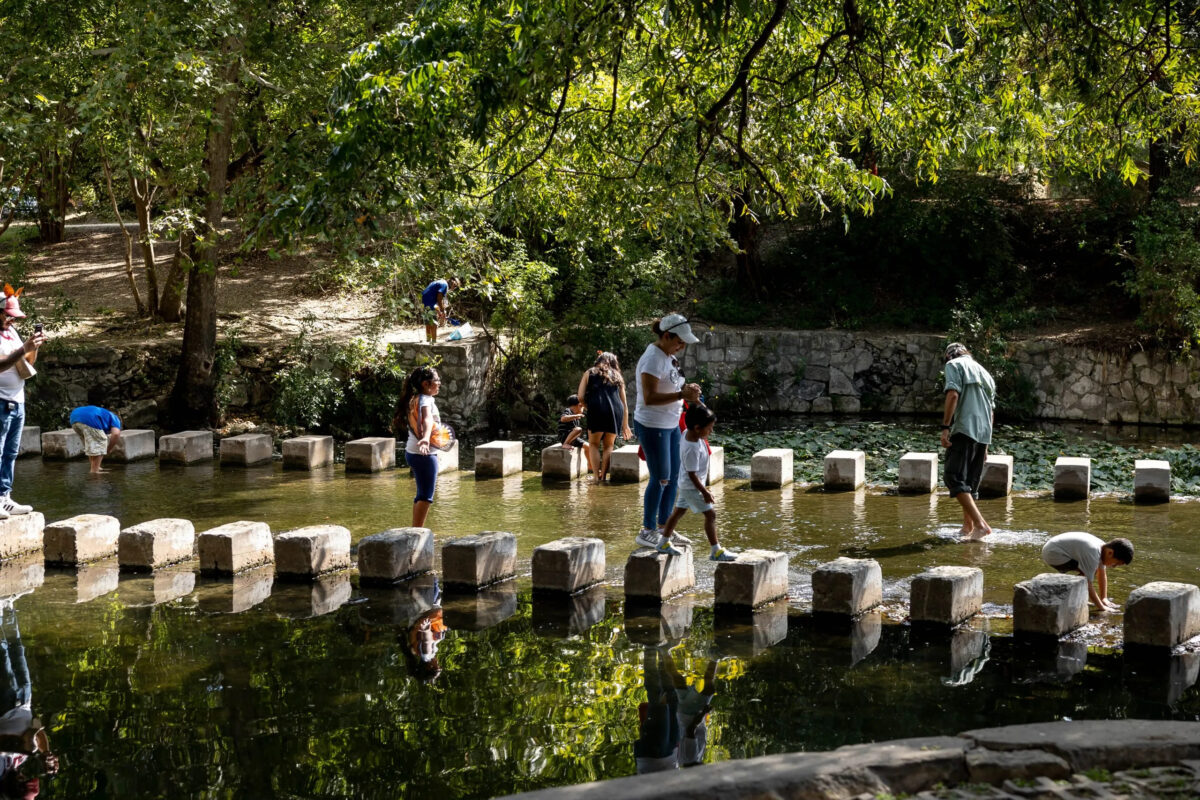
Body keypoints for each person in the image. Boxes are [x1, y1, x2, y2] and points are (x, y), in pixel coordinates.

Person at [633, 315, 702, 549]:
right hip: (652, 424)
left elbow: (672, 385)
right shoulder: (653, 358)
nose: (681, 346)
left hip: (670, 423)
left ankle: (665, 529)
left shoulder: (668, 356)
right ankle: (647, 530)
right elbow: (650, 397)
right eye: (679, 341)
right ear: (666, 336)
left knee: (673, 478)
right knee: (660, 477)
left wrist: (687, 390)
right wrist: (682, 395)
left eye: (684, 343)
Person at [657, 404, 737, 562]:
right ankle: (716, 551)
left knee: (678, 512)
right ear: (698, 427)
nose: (711, 431)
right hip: (691, 486)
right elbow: (691, 474)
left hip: (686, 484)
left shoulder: (688, 432)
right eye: (709, 428)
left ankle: (663, 542)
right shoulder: (691, 449)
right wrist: (705, 491)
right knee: (711, 514)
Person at [939, 342, 996, 541]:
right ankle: (968, 526)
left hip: (965, 428)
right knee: (970, 483)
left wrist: (945, 427)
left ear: (949, 356)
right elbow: (990, 411)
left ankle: (981, 525)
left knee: (952, 476)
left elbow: (953, 394)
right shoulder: (986, 373)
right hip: (983, 433)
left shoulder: (953, 365)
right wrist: (986, 444)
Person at [0, 287, 44, 520]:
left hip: (18, 400)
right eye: (7, 315)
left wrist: (32, 348)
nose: (10, 319)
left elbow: (27, 361)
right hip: (0, 401)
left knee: (10, 452)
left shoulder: (12, 332)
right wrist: (23, 349)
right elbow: (2, 364)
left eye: (13, 316)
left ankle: (4, 498)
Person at [393, 366, 443, 527]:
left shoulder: (414, 398)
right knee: (426, 496)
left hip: (413, 452)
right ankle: (417, 532)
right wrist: (426, 438)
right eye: (437, 380)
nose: (439, 383)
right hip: (424, 455)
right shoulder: (425, 399)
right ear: (426, 384)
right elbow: (427, 419)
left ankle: (415, 530)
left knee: (421, 494)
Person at [576, 351, 633, 484]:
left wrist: (589, 407)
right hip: (615, 411)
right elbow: (624, 403)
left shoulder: (589, 372)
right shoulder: (618, 376)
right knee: (609, 445)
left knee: (594, 444)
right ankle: (604, 477)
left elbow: (580, 397)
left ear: (598, 360)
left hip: (596, 408)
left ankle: (596, 477)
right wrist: (625, 424)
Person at [1041, 532, 1133, 613]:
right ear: (1110, 553)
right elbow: (1088, 583)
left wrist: (1104, 598)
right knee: (1087, 575)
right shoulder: (1093, 553)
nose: (1114, 566)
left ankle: (1078, 596)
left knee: (1091, 570)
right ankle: (1076, 597)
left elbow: (1102, 573)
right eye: (1115, 563)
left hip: (1055, 548)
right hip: (1053, 554)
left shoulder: (1102, 547)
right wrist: (1102, 607)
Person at [633, 647, 680, 774]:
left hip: (653, 759)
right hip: (673, 757)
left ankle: (650, 647)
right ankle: (663, 649)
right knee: (672, 697)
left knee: (657, 699)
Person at [675, 659, 719, 768]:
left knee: (709, 687)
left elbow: (691, 730)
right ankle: (665, 653)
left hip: (691, 713)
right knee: (678, 681)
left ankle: (715, 656)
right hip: (682, 714)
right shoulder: (683, 762)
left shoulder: (690, 759)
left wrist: (704, 712)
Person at [68, 405, 121, 474]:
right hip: (89, 418)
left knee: (91, 444)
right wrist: (109, 449)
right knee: (101, 441)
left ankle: (95, 467)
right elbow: (116, 434)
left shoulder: (104, 415)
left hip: (74, 417)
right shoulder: (115, 418)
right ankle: (94, 471)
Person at [557, 394, 596, 476]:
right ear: (579, 405)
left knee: (588, 447)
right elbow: (563, 419)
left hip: (573, 439)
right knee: (578, 429)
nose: (583, 409)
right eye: (582, 407)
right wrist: (576, 415)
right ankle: (565, 444)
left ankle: (590, 466)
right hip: (564, 437)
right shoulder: (568, 411)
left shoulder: (576, 417)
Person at [420, 278, 461, 343]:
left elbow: (437, 298)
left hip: (425, 300)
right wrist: (442, 310)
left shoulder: (441, 282)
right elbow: (439, 298)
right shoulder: (444, 285)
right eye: (455, 286)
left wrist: (439, 311)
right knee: (433, 323)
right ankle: (434, 341)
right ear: (453, 283)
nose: (453, 289)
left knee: (428, 322)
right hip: (431, 301)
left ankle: (428, 340)